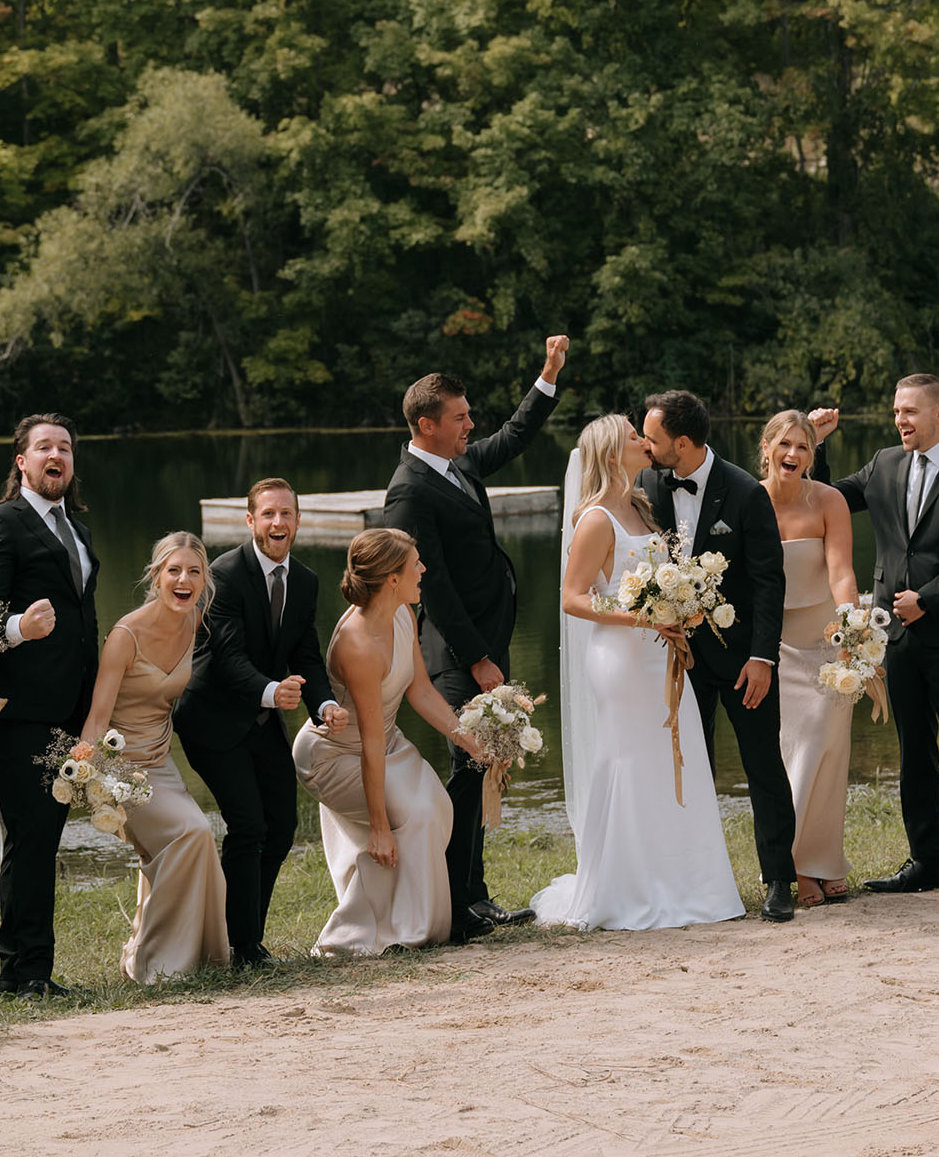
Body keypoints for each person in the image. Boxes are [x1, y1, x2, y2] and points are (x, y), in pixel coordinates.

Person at [380, 337, 568, 940]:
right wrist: (480, 659)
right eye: (460, 417)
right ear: (426, 425)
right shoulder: (409, 491)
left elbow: (511, 438)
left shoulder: (456, 462)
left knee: (479, 770)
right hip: (457, 657)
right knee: (465, 773)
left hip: (484, 649)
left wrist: (547, 376)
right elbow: (431, 591)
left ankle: (475, 897)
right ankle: (458, 909)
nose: (471, 424)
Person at [532, 415, 745, 930]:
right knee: (631, 759)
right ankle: (627, 888)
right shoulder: (596, 519)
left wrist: (684, 606)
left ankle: (689, 884)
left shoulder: (643, 506)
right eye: (633, 436)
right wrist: (646, 616)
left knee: (680, 751)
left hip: (661, 654)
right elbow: (573, 597)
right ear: (610, 454)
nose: (643, 441)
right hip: (621, 659)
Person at [808, 375, 939, 906]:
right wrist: (818, 446)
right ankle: (926, 862)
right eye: (897, 410)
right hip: (894, 635)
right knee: (912, 751)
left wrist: (930, 597)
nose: (901, 420)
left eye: (911, 411)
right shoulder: (883, 463)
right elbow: (830, 501)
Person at [638, 390, 799, 921]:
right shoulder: (646, 485)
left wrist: (763, 659)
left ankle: (778, 879)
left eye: (654, 438)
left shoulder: (746, 492)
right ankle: (695, 881)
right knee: (687, 767)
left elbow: (769, 581)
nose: (646, 445)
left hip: (742, 660)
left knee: (763, 766)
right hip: (677, 658)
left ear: (682, 443)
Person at [175, 479, 346, 966]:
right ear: (250, 521)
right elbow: (227, 655)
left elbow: (306, 655)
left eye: (286, 514)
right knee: (248, 825)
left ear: (297, 520)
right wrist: (272, 691)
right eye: (268, 514)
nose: (278, 523)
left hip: (262, 719)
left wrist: (324, 704)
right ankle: (243, 947)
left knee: (282, 826)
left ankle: (241, 932)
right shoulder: (223, 574)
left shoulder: (307, 581)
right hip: (211, 719)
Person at [292, 528, 484, 956]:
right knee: (410, 816)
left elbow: (419, 690)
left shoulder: (401, 613)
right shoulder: (357, 645)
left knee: (437, 808)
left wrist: (469, 740)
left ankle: (416, 922)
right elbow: (369, 741)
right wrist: (379, 826)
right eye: (415, 563)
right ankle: (390, 931)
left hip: (384, 743)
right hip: (336, 755)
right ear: (392, 578)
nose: (423, 569)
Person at [0, 414, 90, 996]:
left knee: (44, 835)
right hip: (15, 712)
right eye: (44, 447)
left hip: (69, 709)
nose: (55, 455)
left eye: (63, 447)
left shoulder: (78, 529)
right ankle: (23, 972)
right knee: (33, 834)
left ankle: (29, 968)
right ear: (22, 462)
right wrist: (19, 627)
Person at [74, 532, 231, 982]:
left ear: (204, 582)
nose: (184, 580)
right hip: (121, 770)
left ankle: (173, 954)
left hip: (161, 762)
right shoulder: (126, 635)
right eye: (174, 570)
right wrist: (83, 773)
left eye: (194, 572)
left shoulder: (197, 623)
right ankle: (157, 963)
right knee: (193, 832)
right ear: (156, 576)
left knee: (185, 844)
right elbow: (98, 716)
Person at [761, 410, 859, 905]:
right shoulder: (749, 500)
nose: (793, 455)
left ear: (812, 454)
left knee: (827, 746)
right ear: (768, 449)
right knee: (790, 752)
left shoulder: (829, 501)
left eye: (802, 447)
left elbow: (841, 570)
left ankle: (824, 858)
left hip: (825, 642)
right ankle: (794, 865)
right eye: (785, 445)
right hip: (772, 646)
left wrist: (852, 627)